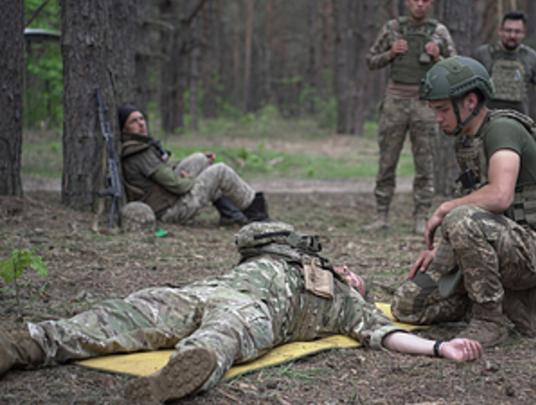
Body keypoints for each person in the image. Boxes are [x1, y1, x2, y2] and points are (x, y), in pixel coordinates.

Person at [0, 221, 483, 403]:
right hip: (207, 290)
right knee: (128, 312)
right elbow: (247, 235)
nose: (353, 275)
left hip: (260, 311)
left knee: (223, 337)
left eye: (358, 278)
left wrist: (440, 348)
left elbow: (385, 335)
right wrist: (301, 248)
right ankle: (26, 345)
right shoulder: (278, 251)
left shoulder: (346, 304)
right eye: (349, 272)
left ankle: (172, 380)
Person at [391, 56, 536, 347]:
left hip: (531, 251)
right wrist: (444, 250)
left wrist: (445, 209)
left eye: (441, 109)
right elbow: (480, 212)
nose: (437, 118)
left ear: (470, 101)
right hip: (495, 242)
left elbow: (500, 196)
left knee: (459, 218)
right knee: (407, 305)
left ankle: (490, 320)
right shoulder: (466, 139)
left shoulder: (502, 129)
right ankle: (504, 305)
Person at [364, 0, 457, 235]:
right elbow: (371, 60)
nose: (419, 4)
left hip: (426, 104)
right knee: (387, 162)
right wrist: (391, 53)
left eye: (424, 1)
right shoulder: (392, 28)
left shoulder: (439, 32)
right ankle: (381, 215)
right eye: (415, 0)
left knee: (425, 164)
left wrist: (438, 58)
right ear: (407, 2)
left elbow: (456, 69)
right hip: (395, 102)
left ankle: (421, 217)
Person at [117, 104, 269, 227]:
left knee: (200, 159)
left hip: (166, 202)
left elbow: (163, 167)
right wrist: (191, 178)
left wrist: (199, 158)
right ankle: (258, 215)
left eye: (141, 119)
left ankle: (230, 215)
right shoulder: (139, 153)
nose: (141, 124)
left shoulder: (136, 147)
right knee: (220, 171)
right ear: (124, 129)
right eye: (133, 121)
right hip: (169, 212)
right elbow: (178, 186)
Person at [471, 11, 536, 135]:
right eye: (508, 31)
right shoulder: (483, 54)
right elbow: (469, 86)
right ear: (500, 30)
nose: (512, 35)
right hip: (485, 122)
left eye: (517, 31)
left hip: (519, 124)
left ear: (523, 33)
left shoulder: (531, 57)